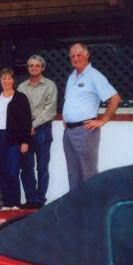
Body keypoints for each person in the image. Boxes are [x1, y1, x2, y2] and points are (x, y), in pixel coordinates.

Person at [63, 43, 121, 190]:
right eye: (72, 56)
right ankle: (77, 209)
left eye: (79, 55)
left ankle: (93, 210)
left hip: (85, 131)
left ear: (87, 55)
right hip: (69, 132)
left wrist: (103, 120)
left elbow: (115, 98)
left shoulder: (94, 75)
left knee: (88, 175)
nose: (75, 58)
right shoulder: (72, 77)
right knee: (73, 174)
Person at [18, 55, 58, 209]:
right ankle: (31, 199)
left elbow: (50, 111)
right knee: (26, 167)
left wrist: (32, 124)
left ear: (43, 68)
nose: (33, 68)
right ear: (27, 68)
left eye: (37, 65)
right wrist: (26, 127)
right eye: (31, 65)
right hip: (25, 131)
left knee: (42, 167)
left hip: (42, 129)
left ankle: (40, 200)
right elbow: (19, 109)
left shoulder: (50, 86)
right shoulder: (21, 87)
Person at [0, 68, 32, 211]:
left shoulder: (21, 97)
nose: (6, 81)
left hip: (14, 138)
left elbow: (26, 121)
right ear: (0, 81)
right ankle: (6, 203)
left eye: (9, 78)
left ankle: (15, 203)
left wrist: (25, 141)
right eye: (3, 78)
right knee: (1, 171)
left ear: (13, 80)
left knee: (12, 171)